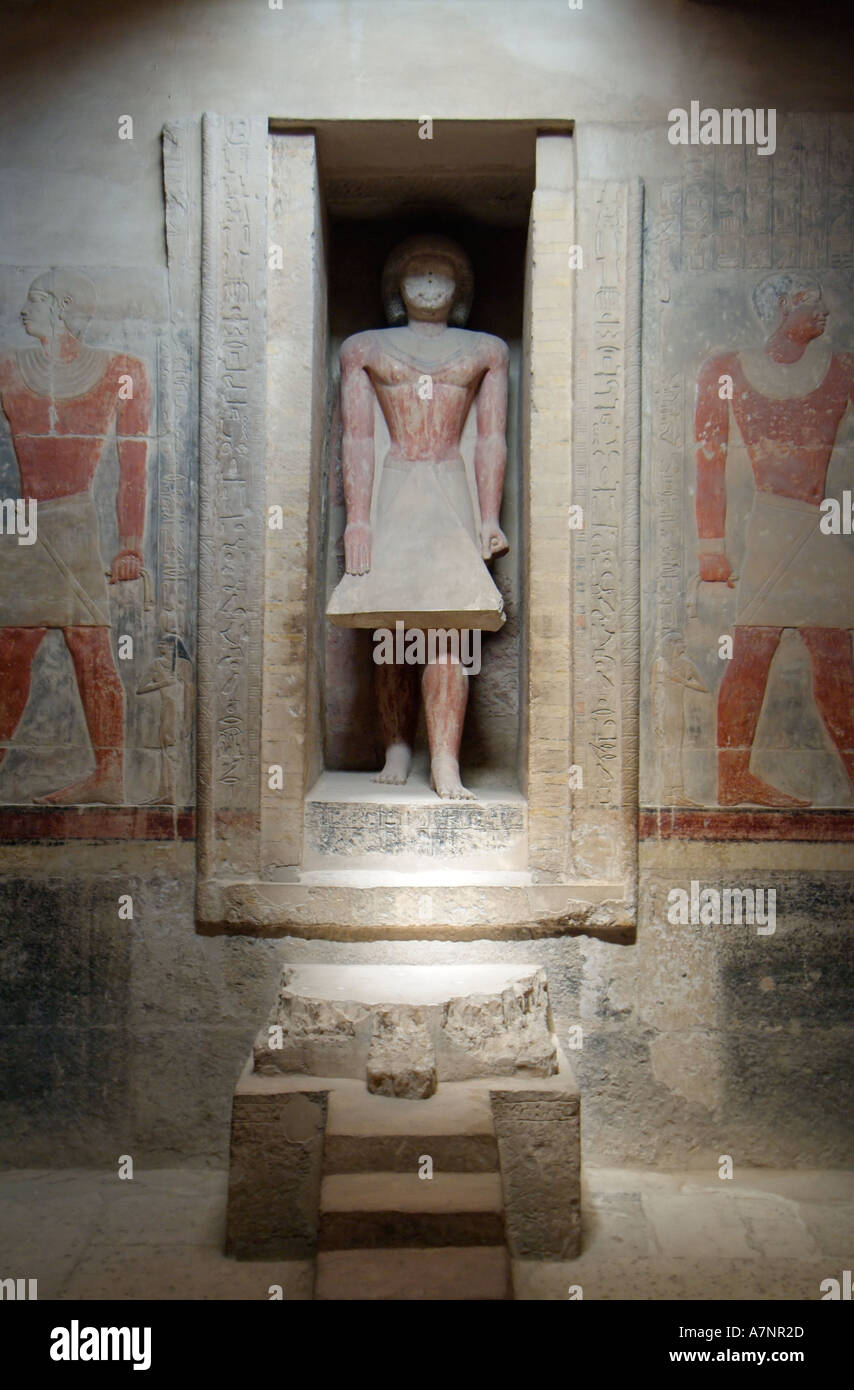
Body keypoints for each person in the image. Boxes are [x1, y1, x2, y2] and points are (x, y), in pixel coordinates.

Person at [327, 235, 509, 799]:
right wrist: (358, 522)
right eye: (416, 277)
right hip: (396, 483)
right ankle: (398, 747)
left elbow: (490, 439)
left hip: (451, 485)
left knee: (449, 630)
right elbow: (356, 439)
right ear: (395, 289)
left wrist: (488, 517)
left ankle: (446, 762)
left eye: (441, 278)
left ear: (459, 291)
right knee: (393, 628)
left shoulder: (486, 350)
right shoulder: (364, 347)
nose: (429, 287)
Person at [695, 272, 854, 806]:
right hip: (768, 524)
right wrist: (710, 546)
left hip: (820, 528)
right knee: (752, 652)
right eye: (811, 302)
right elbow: (708, 458)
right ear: (782, 308)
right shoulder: (727, 369)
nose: (824, 311)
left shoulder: (844, 369)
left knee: (836, 655)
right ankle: (733, 778)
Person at [0, 269, 149, 804]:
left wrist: (130, 544)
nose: (24, 310)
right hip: (21, 523)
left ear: (62, 307)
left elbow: (134, 467)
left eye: (34, 300)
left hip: (75, 518)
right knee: (9, 646)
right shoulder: (7, 369)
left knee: (89, 645)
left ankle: (108, 777)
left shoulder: (121, 371)